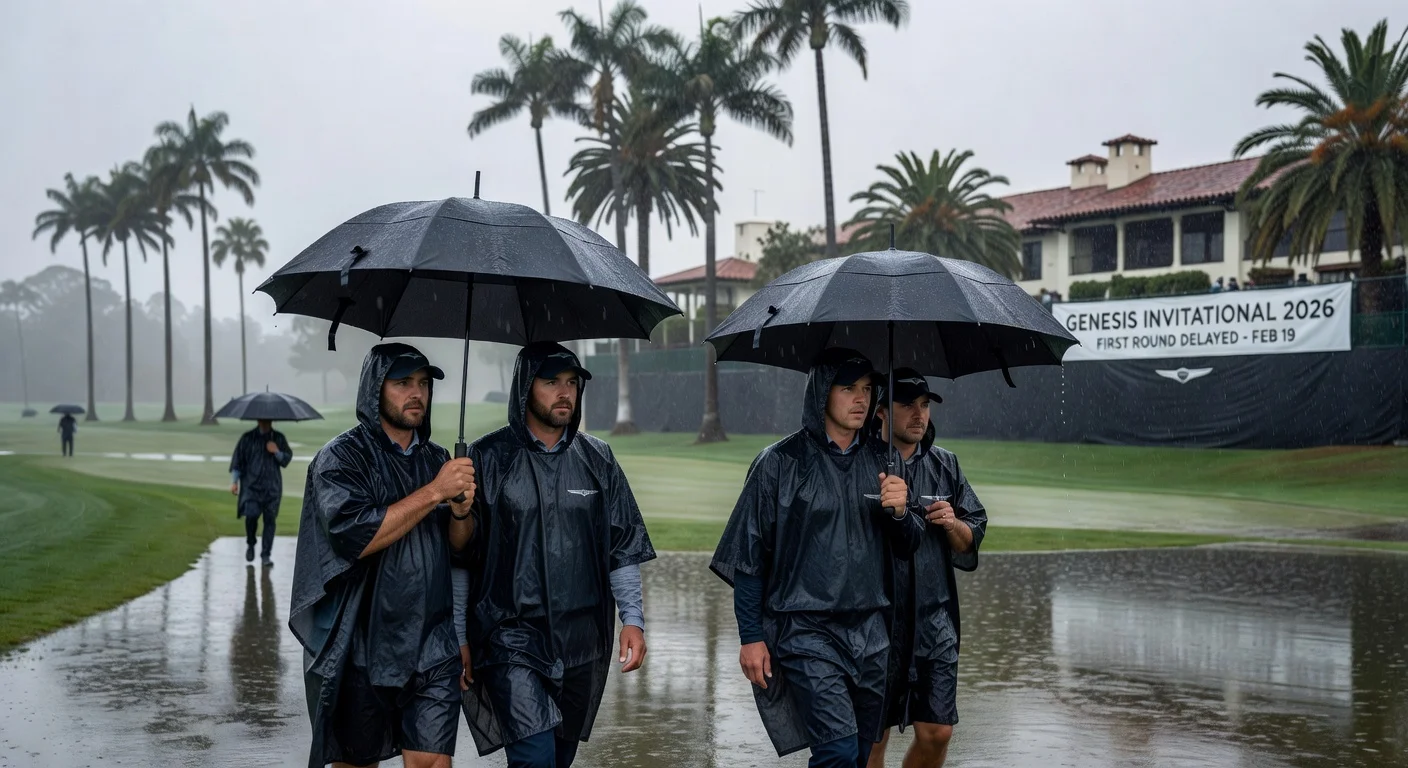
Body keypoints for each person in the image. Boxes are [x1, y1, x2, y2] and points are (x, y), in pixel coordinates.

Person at [712, 349, 923, 768]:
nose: (861, 399)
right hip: (806, 630)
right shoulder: (778, 462)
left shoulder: (886, 460)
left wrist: (901, 513)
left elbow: (908, 544)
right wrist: (750, 636)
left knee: (862, 752)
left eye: (867, 389)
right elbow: (749, 557)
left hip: (871, 632)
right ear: (822, 393)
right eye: (848, 389)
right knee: (837, 750)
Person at [456, 342, 654, 768]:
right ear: (526, 388)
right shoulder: (486, 458)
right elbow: (462, 558)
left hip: (582, 638)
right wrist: (459, 634)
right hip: (509, 634)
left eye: (571, 383)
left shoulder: (598, 458)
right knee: (535, 758)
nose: (565, 393)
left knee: (558, 758)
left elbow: (621, 545)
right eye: (551, 382)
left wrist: (633, 620)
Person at [288, 343, 477, 768]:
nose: (417, 394)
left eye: (424, 384)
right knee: (356, 764)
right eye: (403, 383)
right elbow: (355, 536)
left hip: (432, 642)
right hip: (361, 642)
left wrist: (461, 512)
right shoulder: (340, 458)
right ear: (375, 389)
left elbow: (458, 546)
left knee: (431, 762)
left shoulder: (438, 459)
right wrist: (435, 492)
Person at [865, 371, 987, 768]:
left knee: (938, 732)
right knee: (872, 738)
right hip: (875, 621)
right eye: (907, 405)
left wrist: (953, 524)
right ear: (881, 411)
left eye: (925, 405)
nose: (919, 415)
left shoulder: (945, 464)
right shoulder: (861, 464)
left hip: (935, 621)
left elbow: (973, 535)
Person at [230, 418, 292, 566]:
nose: (266, 423)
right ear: (258, 421)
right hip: (251, 487)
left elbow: (286, 459)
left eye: (268, 421)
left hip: (272, 488)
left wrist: (276, 451)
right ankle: (251, 543)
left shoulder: (278, 438)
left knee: (270, 521)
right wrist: (234, 482)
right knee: (250, 516)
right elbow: (238, 461)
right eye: (263, 421)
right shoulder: (247, 438)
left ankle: (266, 555)